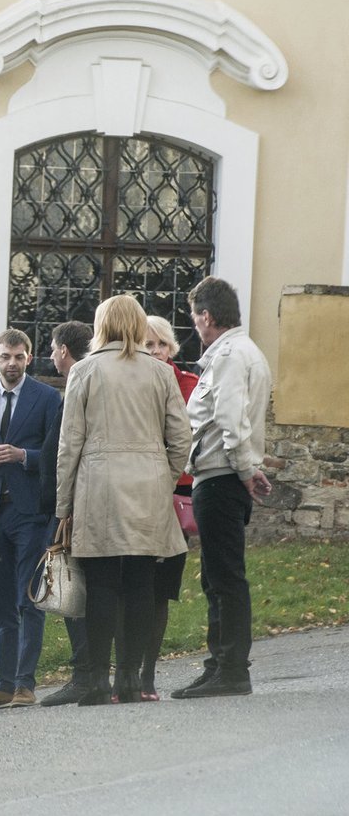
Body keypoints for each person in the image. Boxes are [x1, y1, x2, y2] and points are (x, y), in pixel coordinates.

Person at [56, 295, 191, 705]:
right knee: (140, 582)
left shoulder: (84, 370)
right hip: (148, 487)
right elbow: (182, 437)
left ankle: (97, 677)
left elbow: (69, 444)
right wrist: (162, 476)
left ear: (101, 325)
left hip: (98, 485)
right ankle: (130, 678)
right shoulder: (159, 372)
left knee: (99, 584)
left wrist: (64, 504)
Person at [172, 277, 273, 699]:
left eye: (195, 317)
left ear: (207, 317)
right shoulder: (248, 352)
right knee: (217, 576)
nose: (195, 325)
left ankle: (231, 669)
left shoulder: (230, 356)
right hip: (225, 475)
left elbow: (231, 421)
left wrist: (246, 469)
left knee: (224, 576)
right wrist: (250, 467)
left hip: (219, 476)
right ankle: (220, 664)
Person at [0, 328, 60, 712]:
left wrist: (23, 455)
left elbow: (54, 455)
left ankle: (25, 684)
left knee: (28, 599)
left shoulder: (47, 397)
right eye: (6, 356)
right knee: (1, 603)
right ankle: (2, 685)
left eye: (19, 357)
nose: (13, 363)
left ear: (29, 358)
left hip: (30, 512)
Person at [131, 314, 201, 700]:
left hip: (174, 498)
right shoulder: (131, 384)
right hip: (136, 496)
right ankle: (126, 669)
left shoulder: (189, 385)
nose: (154, 351)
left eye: (160, 345)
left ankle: (147, 674)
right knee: (132, 585)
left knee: (160, 591)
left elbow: (188, 443)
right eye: (147, 345)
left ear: (171, 348)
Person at [37, 320, 93, 707]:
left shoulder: (78, 383)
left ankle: (85, 673)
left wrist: (60, 508)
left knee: (74, 588)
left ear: (63, 350)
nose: (51, 355)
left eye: (53, 348)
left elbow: (65, 450)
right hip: (74, 503)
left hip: (70, 507)